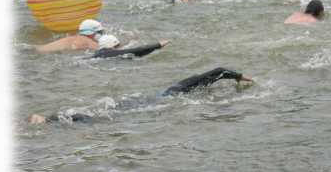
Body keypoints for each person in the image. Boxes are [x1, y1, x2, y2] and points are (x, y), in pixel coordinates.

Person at [28, 67, 253, 124]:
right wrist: (240, 77)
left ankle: (48, 120)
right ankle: (48, 120)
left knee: (94, 116)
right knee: (92, 118)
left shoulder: (180, 88)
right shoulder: (181, 90)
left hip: (153, 98)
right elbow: (218, 71)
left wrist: (236, 77)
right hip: (160, 99)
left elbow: (215, 74)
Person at [35, 19, 104, 53]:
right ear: (92, 33)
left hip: (37, 49)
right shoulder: (86, 41)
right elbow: (102, 49)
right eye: (100, 32)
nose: (102, 35)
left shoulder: (73, 37)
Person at [91, 34, 170, 58]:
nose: (119, 47)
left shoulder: (98, 53)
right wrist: (158, 45)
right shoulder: (112, 53)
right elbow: (137, 50)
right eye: (117, 45)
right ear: (112, 45)